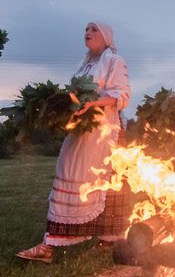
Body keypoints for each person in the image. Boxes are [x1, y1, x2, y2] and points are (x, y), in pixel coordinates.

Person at [16, 21, 131, 263]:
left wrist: (93, 104)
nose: (87, 33)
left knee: (100, 180)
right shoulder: (84, 64)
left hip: (102, 131)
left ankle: (104, 239)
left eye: (93, 29)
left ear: (107, 37)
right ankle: (53, 242)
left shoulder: (114, 60)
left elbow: (122, 95)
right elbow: (76, 97)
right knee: (69, 173)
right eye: (86, 30)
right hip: (81, 129)